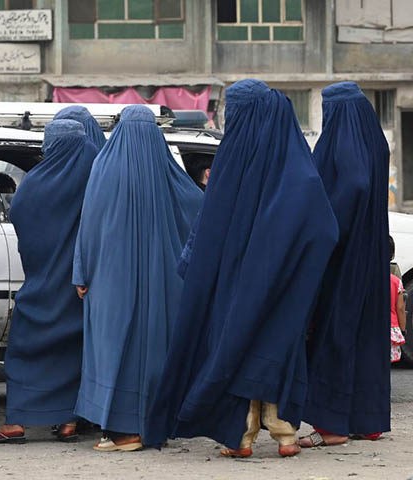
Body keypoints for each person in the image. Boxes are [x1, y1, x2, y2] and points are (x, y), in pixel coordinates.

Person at [144, 79, 339, 458]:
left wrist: (196, 269)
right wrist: (293, 269)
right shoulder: (299, 170)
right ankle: (283, 433)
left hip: (234, 286)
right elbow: (324, 229)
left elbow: (208, 228)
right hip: (285, 288)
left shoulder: (233, 164)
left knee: (234, 347)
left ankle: (244, 433)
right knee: (277, 346)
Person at [72, 104, 203, 452]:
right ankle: (149, 424)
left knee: (113, 349)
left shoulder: (104, 167)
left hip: (110, 283)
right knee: (155, 350)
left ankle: (121, 429)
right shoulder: (169, 172)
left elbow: (90, 225)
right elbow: (199, 209)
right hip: (163, 283)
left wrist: (81, 273)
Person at [0, 119, 99, 445]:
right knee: (73, 353)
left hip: (40, 283)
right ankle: (67, 422)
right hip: (80, 288)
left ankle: (17, 422)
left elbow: (19, 219)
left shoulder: (34, 183)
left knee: (23, 350)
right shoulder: (94, 181)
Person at [299, 82, 391, 449]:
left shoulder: (345, 141)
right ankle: (366, 420)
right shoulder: (373, 140)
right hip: (370, 252)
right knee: (366, 335)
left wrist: (328, 226)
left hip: (345, 254)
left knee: (335, 332)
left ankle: (332, 426)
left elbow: (354, 182)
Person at [389, 236, 407, 363]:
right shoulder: (396, 282)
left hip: (370, 327)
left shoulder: (367, 278)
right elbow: (400, 308)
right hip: (391, 328)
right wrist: (403, 328)